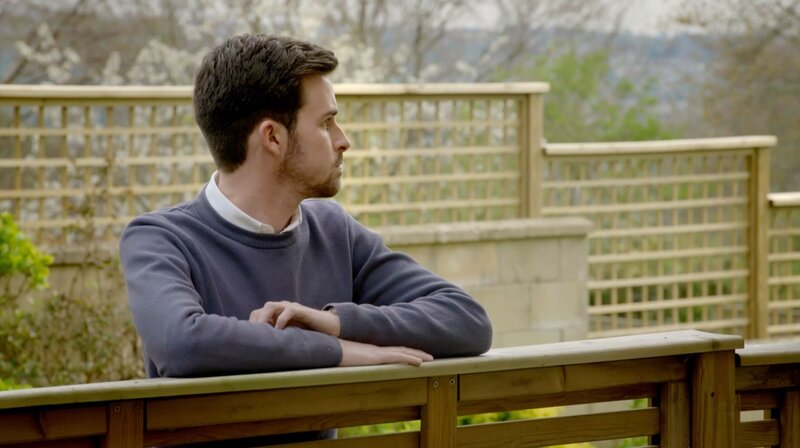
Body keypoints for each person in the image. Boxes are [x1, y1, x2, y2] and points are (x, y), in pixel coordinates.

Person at [119, 34, 492, 382]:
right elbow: (183, 343)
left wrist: (333, 322)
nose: (343, 140)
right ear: (273, 137)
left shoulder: (333, 231)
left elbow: (467, 320)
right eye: (327, 123)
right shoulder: (160, 239)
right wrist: (337, 351)